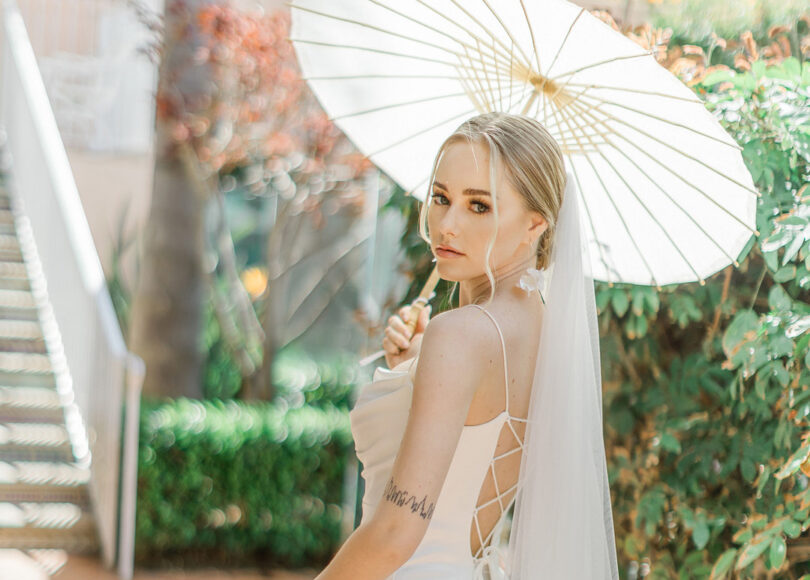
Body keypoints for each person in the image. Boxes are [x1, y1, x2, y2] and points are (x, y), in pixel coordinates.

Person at [314, 112, 619, 579]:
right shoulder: (545, 333)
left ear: (535, 224)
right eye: (441, 198)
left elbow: (396, 532)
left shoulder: (459, 335)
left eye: (479, 206)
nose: (447, 225)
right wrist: (414, 369)